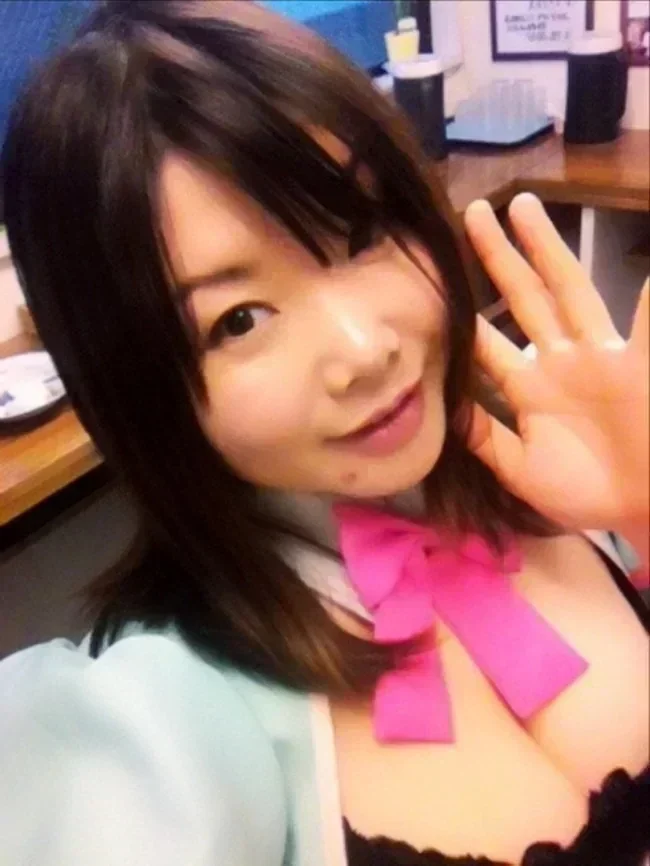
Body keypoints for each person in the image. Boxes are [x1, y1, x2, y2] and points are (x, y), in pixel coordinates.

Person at [0, 2, 648, 865]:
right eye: (238, 319)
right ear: (133, 384)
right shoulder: (161, 724)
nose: (364, 349)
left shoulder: (568, 474)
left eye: (367, 232)